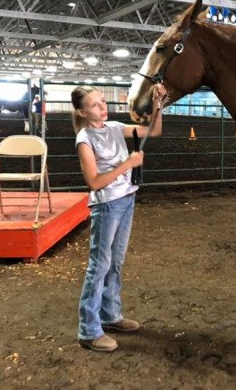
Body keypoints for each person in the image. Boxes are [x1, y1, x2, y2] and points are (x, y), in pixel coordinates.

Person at [71, 84, 165, 352]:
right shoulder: (84, 140)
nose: (102, 108)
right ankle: (88, 330)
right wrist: (128, 164)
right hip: (107, 205)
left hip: (126, 200)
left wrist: (159, 104)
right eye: (95, 105)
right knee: (99, 264)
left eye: (103, 102)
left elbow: (155, 130)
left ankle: (110, 315)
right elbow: (94, 181)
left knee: (116, 260)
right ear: (81, 112)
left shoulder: (114, 128)